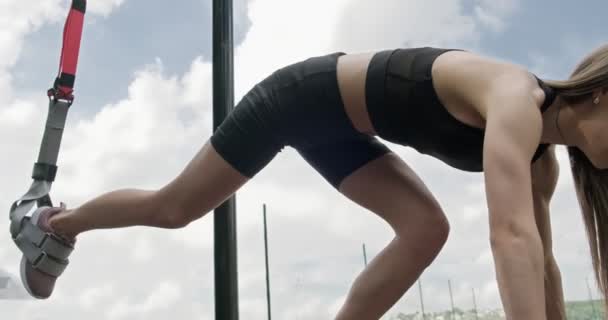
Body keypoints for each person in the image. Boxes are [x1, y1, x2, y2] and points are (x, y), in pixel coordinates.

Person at [17, 44, 608, 319]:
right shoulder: (515, 97)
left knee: (426, 228)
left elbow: (543, 265)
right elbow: (511, 240)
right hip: (299, 98)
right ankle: (50, 222)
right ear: (601, 93)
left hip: (344, 131)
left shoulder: (541, 161)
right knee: (176, 208)